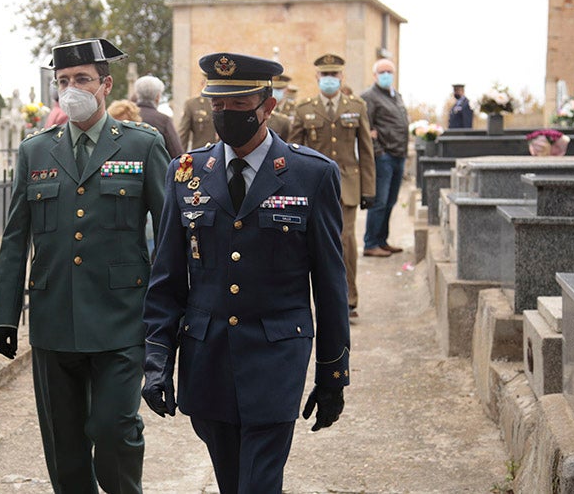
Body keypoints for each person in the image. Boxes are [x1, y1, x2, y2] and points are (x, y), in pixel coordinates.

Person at [142, 52, 350, 494]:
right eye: (218, 106)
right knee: (232, 481)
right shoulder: (187, 173)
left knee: (258, 484)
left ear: (267, 106)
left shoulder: (311, 174)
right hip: (208, 356)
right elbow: (168, 277)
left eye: (239, 106)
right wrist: (157, 359)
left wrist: (333, 375)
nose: (226, 115)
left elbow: (330, 285)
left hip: (276, 356)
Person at [0, 38, 169, 494]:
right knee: (64, 447)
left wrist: (172, 316)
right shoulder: (36, 151)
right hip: (56, 318)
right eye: (63, 81)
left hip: (121, 318)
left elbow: (171, 236)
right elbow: (16, 238)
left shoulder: (141, 145)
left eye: (82, 79)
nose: (72, 89)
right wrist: (4, 314)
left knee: (114, 431)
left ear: (105, 85)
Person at [287, 54, 375, 318]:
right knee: (306, 242)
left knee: (345, 240)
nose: (329, 80)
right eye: (324, 75)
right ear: (317, 78)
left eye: (333, 75)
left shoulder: (357, 106)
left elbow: (366, 151)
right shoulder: (304, 108)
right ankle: (305, 298)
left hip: (347, 184)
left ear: (341, 77)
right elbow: (294, 150)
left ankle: (348, 298)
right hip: (312, 185)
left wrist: (368, 189)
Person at [360, 58, 409, 258]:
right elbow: (366, 128)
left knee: (390, 201)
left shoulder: (395, 95)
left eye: (390, 71)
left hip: (399, 154)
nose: (387, 75)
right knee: (379, 201)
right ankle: (370, 243)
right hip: (384, 157)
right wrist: (379, 151)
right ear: (375, 75)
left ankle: (382, 240)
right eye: (383, 72)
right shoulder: (369, 97)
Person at [133, 75, 184, 159]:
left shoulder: (126, 115)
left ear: (137, 94)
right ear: (157, 97)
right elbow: (177, 153)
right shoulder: (163, 120)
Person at [267, 75, 293, 139]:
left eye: (279, 89)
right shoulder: (265, 108)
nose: (276, 92)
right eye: (274, 89)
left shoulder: (294, 109)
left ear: (287, 90)